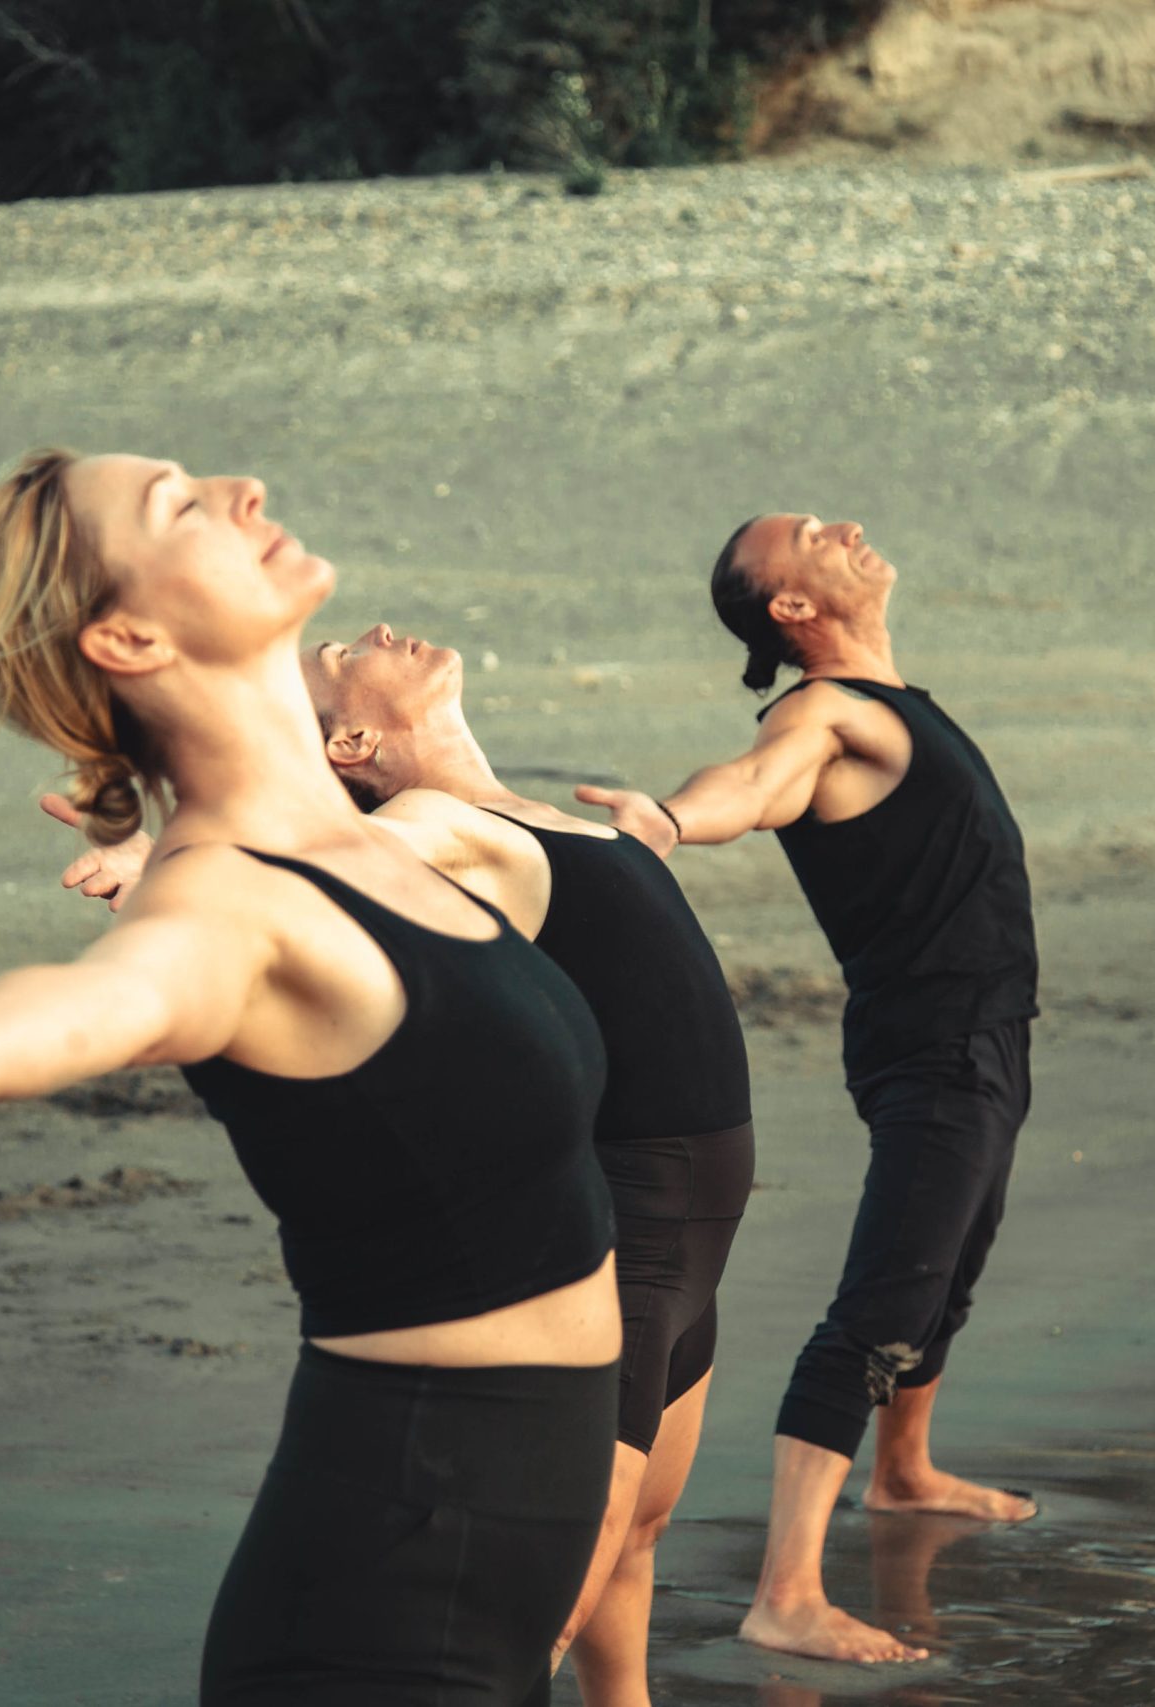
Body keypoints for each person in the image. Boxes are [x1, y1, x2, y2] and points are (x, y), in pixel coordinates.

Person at [0, 449, 623, 1706]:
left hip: (478, 1585)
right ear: (126, 636)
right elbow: (109, 998)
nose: (246, 492)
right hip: (387, 1613)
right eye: (181, 504)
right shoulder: (224, 898)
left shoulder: (378, 845)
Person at [46, 620, 755, 1707]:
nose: (372, 631)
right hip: (634, 1223)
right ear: (351, 748)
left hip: (695, 1231)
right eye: (338, 654)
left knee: (639, 1535)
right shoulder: (440, 825)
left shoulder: (539, 815)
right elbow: (332, 857)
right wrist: (165, 858)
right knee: (550, 1595)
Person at [577, 512, 1041, 1665]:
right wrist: (671, 821)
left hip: (983, 1040)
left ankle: (902, 1473)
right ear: (789, 607)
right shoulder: (820, 714)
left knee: (948, 1276)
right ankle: (785, 1590)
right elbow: (759, 782)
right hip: (935, 1050)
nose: (847, 528)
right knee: (883, 1304)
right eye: (810, 534)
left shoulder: (893, 705)